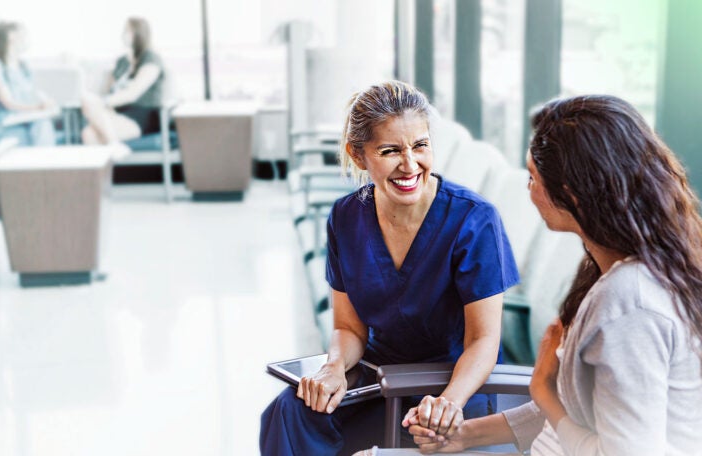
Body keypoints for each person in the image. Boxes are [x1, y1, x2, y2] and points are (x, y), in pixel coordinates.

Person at [402, 95, 702, 455]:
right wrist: (467, 435)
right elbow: (586, 413)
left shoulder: (630, 306)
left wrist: (544, 393)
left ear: (572, 194)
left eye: (532, 177)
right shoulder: (618, 271)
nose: (527, 189)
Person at [259, 81, 520, 455]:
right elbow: (349, 328)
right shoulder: (346, 217)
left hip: (458, 384)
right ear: (358, 154)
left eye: (420, 145)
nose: (410, 165)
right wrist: (333, 368)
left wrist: (448, 402)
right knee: (292, 411)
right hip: (382, 379)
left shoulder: (474, 220)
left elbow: (483, 341)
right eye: (390, 150)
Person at [80, 17, 166, 145]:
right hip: (117, 112)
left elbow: (133, 93)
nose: (124, 35)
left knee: (91, 131)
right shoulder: (122, 62)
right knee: (88, 132)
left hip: (141, 115)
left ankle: (113, 143)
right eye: (124, 31)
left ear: (139, 33)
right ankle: (114, 145)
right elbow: (108, 90)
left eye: (128, 31)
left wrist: (103, 103)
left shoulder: (151, 59)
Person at [0, 21, 56, 147]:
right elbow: (8, 103)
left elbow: (32, 94)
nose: (23, 41)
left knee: (43, 125)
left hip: (24, 120)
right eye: (20, 37)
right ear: (9, 40)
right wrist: (38, 107)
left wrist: (44, 102)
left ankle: (47, 164)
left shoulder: (23, 67)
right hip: (2, 126)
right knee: (30, 132)